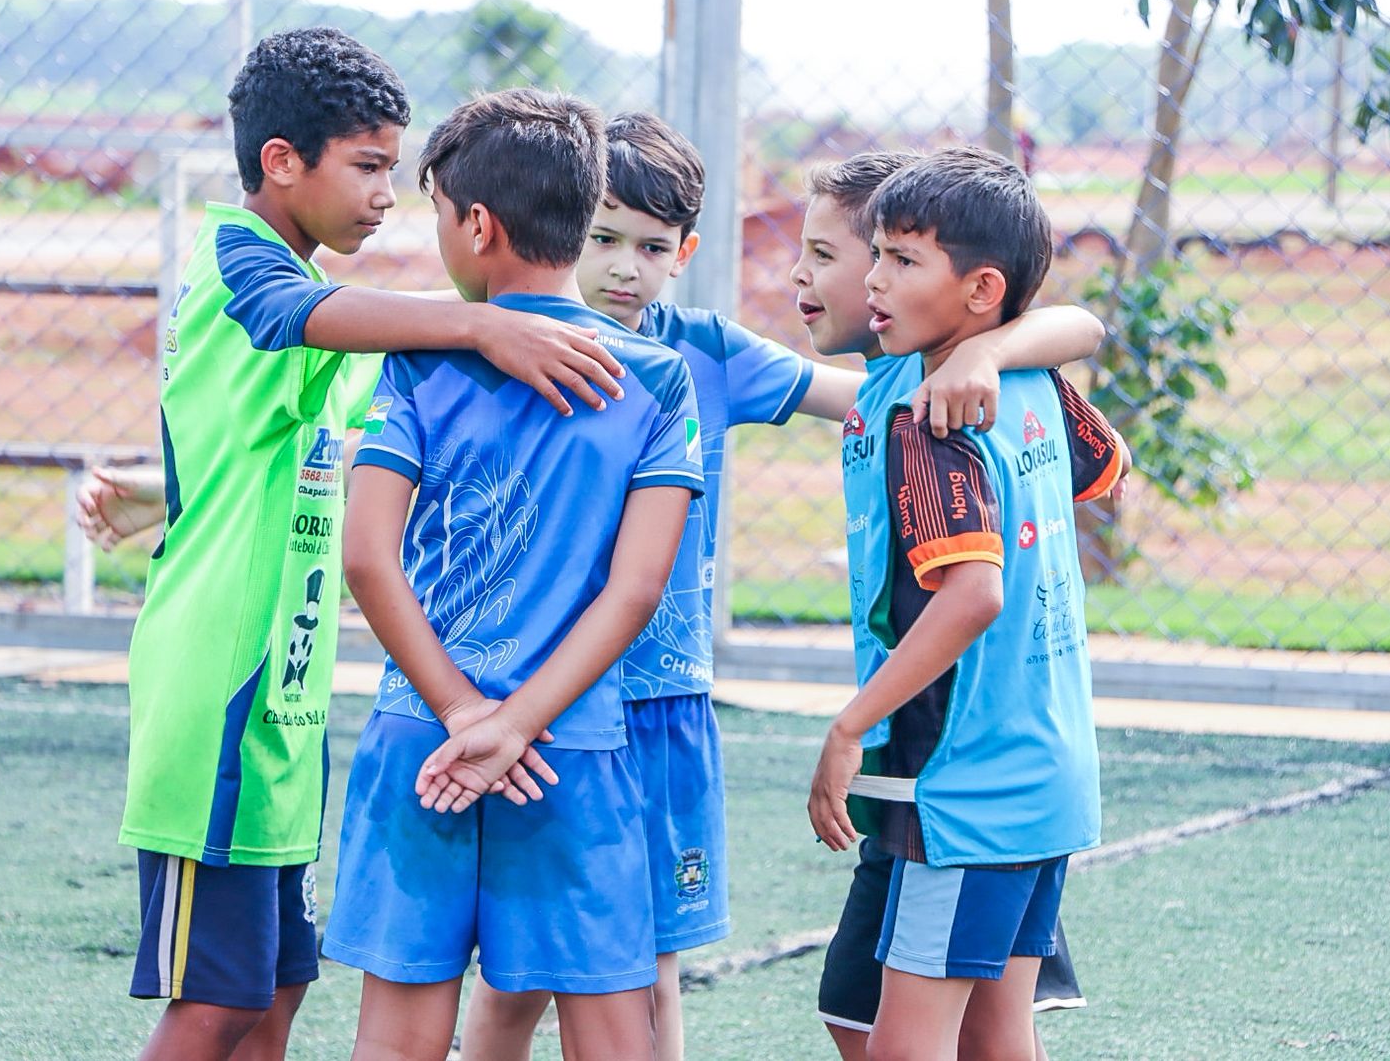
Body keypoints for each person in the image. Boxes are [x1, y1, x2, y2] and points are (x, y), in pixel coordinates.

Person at [460, 116, 1107, 1061]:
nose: (811, 277)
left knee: (669, 964)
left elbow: (980, 575)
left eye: (861, 257)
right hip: (543, 703)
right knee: (525, 972)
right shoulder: (502, 344)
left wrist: (988, 351)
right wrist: (990, 348)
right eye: (602, 236)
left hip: (932, 771)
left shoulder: (905, 398)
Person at [115, 30, 625, 1061]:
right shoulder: (240, 268)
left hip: (287, 695)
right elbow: (295, 315)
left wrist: (152, 490)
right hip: (217, 686)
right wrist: (482, 323)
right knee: (214, 1002)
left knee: (274, 990)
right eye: (367, 165)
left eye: (396, 170)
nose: (386, 195)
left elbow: (306, 443)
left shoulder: (333, 321)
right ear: (281, 162)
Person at [319, 87, 703, 1061]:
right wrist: (519, 723)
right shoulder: (658, 379)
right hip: (571, 745)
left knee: (396, 1039)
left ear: (478, 225)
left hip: (424, 738)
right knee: (610, 1035)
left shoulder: (417, 360)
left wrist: (463, 713)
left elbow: (365, 555)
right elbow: (636, 590)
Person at [796, 151, 1114, 1061]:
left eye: (898, 259)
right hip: (1047, 771)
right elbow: (1107, 457)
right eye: (874, 255)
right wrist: (993, 347)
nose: (874, 279)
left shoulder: (932, 415)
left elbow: (974, 594)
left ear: (979, 288)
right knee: (992, 1036)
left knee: (905, 1046)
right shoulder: (1025, 386)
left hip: (967, 789)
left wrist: (850, 726)